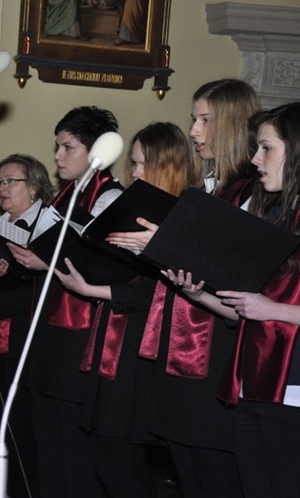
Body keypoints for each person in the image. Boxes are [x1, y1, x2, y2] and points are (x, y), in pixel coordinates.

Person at [109, 79, 260, 498]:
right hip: (180, 350)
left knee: (216, 475)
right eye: (194, 119)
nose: (193, 130)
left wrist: (162, 244)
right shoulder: (207, 189)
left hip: (215, 355)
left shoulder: (253, 192)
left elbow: (240, 273)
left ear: (232, 123)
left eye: (205, 120)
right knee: (189, 471)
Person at [53, 122, 195, 497]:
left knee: (116, 464)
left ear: (167, 165)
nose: (133, 173)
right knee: (112, 462)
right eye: (132, 163)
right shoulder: (136, 209)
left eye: (141, 164)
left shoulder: (181, 216)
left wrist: (91, 288)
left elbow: (154, 294)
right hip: (115, 341)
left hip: (141, 352)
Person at [169, 102, 300, 498]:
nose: (256, 159)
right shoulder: (275, 212)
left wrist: (271, 309)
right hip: (254, 382)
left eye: (267, 149)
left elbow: (266, 307)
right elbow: (245, 307)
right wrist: (199, 293)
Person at [10, 106, 122, 497]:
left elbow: (108, 267)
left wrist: (49, 259)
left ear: (95, 152)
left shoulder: (110, 197)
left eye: (67, 147)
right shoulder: (63, 197)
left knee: (76, 451)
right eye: (57, 146)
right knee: (48, 446)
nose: (57, 156)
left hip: (80, 336)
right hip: (47, 332)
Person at [0, 154, 54, 497]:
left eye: (10, 181)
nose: (2, 188)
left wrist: (1, 300)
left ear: (34, 187)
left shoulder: (49, 226)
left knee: (23, 435)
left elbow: (53, 292)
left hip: (32, 347)